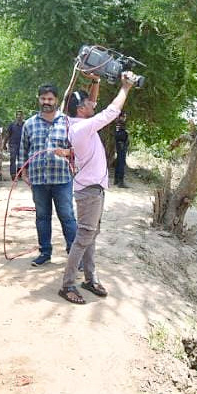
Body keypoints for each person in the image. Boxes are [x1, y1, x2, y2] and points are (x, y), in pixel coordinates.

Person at [55, 72, 137, 303]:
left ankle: (90, 278)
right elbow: (111, 112)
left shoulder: (78, 123)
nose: (93, 104)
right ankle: (67, 284)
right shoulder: (82, 128)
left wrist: (96, 82)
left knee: (90, 235)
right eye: (88, 104)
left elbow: (92, 103)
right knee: (83, 237)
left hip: (93, 189)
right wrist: (126, 87)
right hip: (89, 190)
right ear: (81, 110)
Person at [20, 82, 76, 267]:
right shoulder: (29, 124)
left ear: (56, 100)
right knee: (42, 217)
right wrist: (23, 172)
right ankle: (45, 252)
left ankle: (75, 255)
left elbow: (78, 149)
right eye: (43, 98)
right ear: (39, 99)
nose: (46, 102)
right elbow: (23, 150)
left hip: (62, 179)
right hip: (38, 179)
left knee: (67, 216)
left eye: (50, 99)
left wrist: (67, 153)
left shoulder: (68, 123)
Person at [113, 113, 130, 187]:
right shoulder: (120, 124)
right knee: (121, 163)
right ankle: (120, 181)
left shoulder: (120, 123)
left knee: (119, 162)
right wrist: (126, 132)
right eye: (123, 116)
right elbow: (118, 135)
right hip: (121, 145)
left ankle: (116, 180)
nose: (125, 118)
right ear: (120, 117)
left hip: (121, 144)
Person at [6, 110, 25, 178]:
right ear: (16, 116)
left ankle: (19, 173)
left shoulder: (25, 125)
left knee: (21, 159)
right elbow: (7, 135)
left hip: (22, 145)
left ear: (23, 116)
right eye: (17, 115)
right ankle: (13, 174)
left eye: (20, 115)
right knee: (13, 158)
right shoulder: (12, 125)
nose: (19, 116)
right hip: (13, 144)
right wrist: (4, 144)